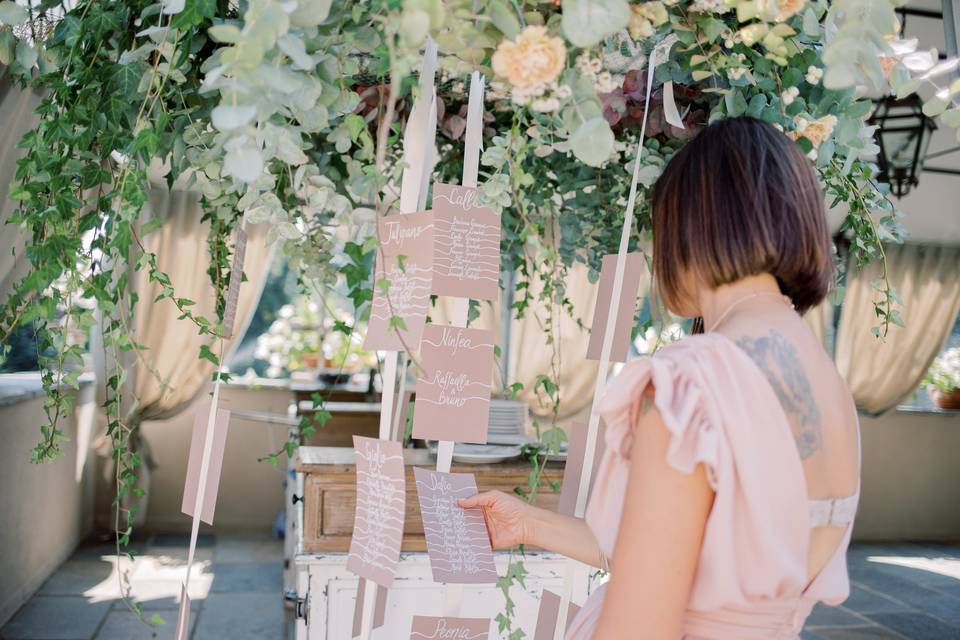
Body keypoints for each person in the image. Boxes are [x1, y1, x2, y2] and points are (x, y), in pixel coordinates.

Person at [459, 117, 861, 639]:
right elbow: (697, 553)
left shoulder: (691, 383)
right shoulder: (828, 385)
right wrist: (531, 523)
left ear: (692, 228)